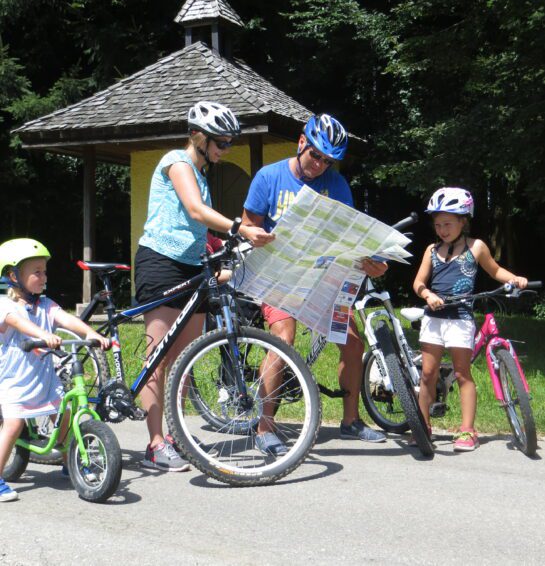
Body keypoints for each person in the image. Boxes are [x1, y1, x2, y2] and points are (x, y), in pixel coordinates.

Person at [134, 101, 274, 471]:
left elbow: (200, 227)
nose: (224, 150)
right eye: (221, 143)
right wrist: (240, 227)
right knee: (158, 360)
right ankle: (153, 443)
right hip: (161, 262)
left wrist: (229, 248)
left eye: (228, 144)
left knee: (184, 361)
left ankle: (176, 434)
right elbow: (196, 212)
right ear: (198, 136)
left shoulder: (201, 173)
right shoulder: (176, 162)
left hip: (192, 266)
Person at [243, 113, 388, 455]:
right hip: (278, 275)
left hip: (320, 278)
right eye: (316, 156)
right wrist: (258, 239)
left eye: (329, 160)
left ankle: (350, 422)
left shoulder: (336, 185)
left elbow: (351, 235)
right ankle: (265, 428)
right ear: (301, 142)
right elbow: (248, 226)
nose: (321, 165)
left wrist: (372, 262)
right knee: (284, 338)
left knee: (353, 343)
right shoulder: (269, 177)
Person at [413, 187, 528, 452]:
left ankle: (467, 429)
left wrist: (515, 279)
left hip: (461, 319)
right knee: (428, 374)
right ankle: (423, 427)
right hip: (434, 318)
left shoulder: (476, 247)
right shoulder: (431, 250)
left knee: (463, 373)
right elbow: (418, 282)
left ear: (463, 221)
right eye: (438, 224)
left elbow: (496, 270)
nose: (442, 230)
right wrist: (427, 294)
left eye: (448, 224)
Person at [0, 238, 110, 502]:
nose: (43, 276)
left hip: (45, 380)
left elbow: (69, 320)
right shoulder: (6, 306)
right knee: (14, 425)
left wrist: (93, 334)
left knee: (66, 416)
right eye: (36, 271)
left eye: (44, 271)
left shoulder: (46, 305)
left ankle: (70, 460)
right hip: (16, 382)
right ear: (13, 275)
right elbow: (20, 325)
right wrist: (43, 335)